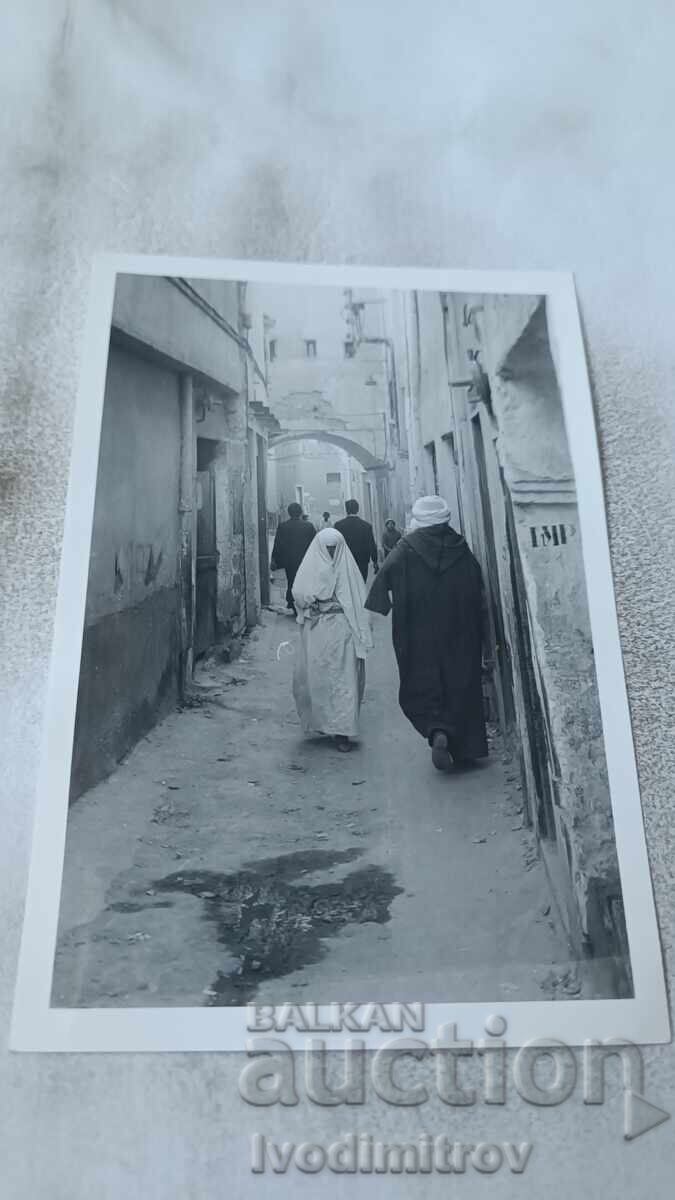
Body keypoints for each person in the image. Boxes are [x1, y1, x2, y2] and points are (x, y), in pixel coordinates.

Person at [365, 494, 489, 772]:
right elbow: (475, 582)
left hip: (418, 631)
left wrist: (383, 604)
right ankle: (467, 748)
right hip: (460, 630)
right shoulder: (460, 546)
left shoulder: (406, 548)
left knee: (424, 680)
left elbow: (381, 580)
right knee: (462, 682)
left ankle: (437, 729)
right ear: (445, 518)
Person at [292, 527, 373, 752]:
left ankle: (343, 731)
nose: (329, 552)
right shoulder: (310, 567)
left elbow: (359, 602)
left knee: (345, 681)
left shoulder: (348, 571)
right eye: (326, 548)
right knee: (319, 679)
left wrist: (362, 629)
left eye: (333, 549)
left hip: (343, 632)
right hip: (318, 632)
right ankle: (324, 724)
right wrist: (312, 605)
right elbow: (299, 594)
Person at [271, 502, 316, 615]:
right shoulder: (308, 526)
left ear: (289, 513)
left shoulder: (283, 526)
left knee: (291, 581)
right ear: (300, 512)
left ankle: (292, 602)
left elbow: (278, 544)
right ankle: (303, 603)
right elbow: (315, 544)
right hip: (306, 560)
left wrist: (274, 559)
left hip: (289, 560)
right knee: (304, 581)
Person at [335, 499, 378, 583]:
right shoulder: (366, 526)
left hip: (345, 561)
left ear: (346, 510)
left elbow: (336, 544)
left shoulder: (338, 525)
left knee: (348, 585)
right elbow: (371, 544)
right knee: (361, 583)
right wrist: (375, 561)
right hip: (362, 560)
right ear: (357, 510)